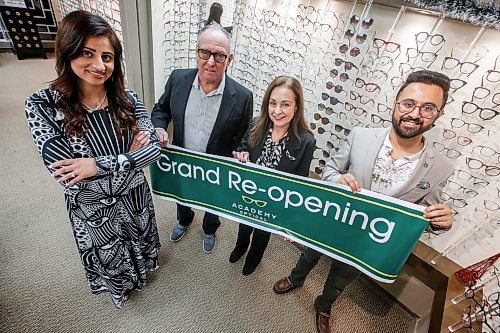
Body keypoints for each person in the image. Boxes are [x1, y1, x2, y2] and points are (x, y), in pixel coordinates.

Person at [273, 70, 455, 333]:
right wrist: (337, 180)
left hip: (367, 243)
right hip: (331, 222)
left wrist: (439, 222)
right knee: (309, 255)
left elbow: (423, 217)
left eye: (428, 108)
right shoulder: (360, 136)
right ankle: (295, 278)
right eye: (409, 104)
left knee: (341, 278)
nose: (415, 114)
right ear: (396, 103)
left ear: (438, 114)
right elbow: (329, 172)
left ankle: (324, 305)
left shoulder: (440, 168)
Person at [25, 11, 161, 309]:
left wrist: (96, 165)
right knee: (109, 253)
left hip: (136, 198)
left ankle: (140, 276)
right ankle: (120, 288)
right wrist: (130, 158)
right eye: (88, 53)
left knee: (139, 242)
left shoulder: (129, 99)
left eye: (107, 57)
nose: (99, 66)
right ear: (68, 50)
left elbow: (153, 152)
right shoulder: (42, 105)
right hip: (94, 210)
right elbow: (70, 178)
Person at [151, 24, 253, 253]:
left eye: (219, 55)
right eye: (205, 53)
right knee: (182, 196)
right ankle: (184, 220)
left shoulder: (243, 97)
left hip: (214, 170)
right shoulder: (178, 79)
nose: (210, 61)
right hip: (182, 163)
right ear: (197, 52)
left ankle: (209, 229)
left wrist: (242, 151)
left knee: (212, 204)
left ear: (230, 59)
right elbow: (160, 110)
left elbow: (245, 134)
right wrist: (159, 128)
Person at [231, 76, 316, 276]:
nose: (277, 111)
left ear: (296, 107)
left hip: (274, 201)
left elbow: (300, 182)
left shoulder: (306, 141)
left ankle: (254, 256)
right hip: (249, 192)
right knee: (244, 225)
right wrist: (240, 154)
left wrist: (291, 218)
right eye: (273, 103)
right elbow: (242, 147)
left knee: (262, 233)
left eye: (285, 105)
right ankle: (241, 246)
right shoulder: (255, 124)